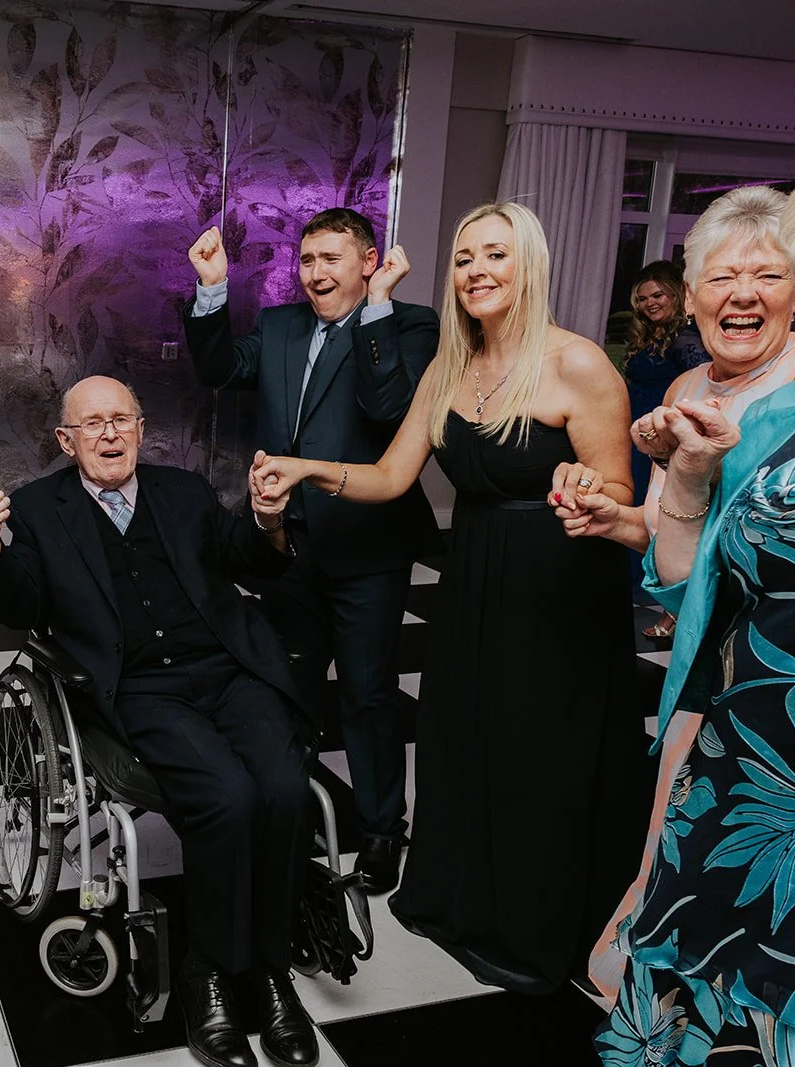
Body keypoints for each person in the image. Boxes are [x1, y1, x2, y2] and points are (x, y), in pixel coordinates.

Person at [253, 202, 651, 995]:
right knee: (463, 736)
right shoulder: (447, 366)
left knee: (541, 753)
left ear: (528, 265)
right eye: (465, 256)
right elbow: (393, 476)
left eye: (496, 255)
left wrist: (584, 489)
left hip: (560, 584)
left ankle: (545, 924)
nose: (476, 271)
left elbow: (622, 503)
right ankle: (463, 899)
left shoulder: (578, 366)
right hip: (471, 578)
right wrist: (305, 469)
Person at [593, 130, 795, 1065]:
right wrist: (686, 476)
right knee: (686, 1024)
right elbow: (690, 593)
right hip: (733, 793)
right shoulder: (773, 418)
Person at [0, 375, 318, 1067]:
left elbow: (247, 559)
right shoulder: (38, 507)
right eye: (91, 424)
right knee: (225, 796)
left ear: (143, 429)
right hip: (140, 686)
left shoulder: (182, 490)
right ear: (66, 440)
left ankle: (269, 972)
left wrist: (267, 517)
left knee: (284, 786)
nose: (110, 434)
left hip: (227, 669)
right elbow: (21, 603)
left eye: (122, 419)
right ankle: (204, 972)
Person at [183, 207, 439, 893]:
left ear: (367, 261)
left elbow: (388, 410)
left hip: (367, 546)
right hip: (284, 542)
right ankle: (284, 811)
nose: (316, 272)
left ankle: (383, 830)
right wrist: (212, 288)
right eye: (306, 260)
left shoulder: (411, 326)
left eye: (332, 258)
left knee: (367, 694)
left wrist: (379, 307)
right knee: (286, 684)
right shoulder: (279, 326)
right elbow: (215, 368)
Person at [552, 188, 795, 645]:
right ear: (689, 298)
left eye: (768, 275)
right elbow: (677, 537)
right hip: (700, 636)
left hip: (786, 640)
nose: (744, 294)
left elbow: (783, 530)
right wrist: (619, 521)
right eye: (721, 277)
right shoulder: (684, 388)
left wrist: (695, 462)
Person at [622, 259, 710, 509]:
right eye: (642, 299)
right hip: (639, 430)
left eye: (657, 295)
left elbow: (702, 385)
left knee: (649, 500)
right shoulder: (651, 336)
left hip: (660, 433)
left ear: (675, 295)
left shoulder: (685, 338)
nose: (649, 303)